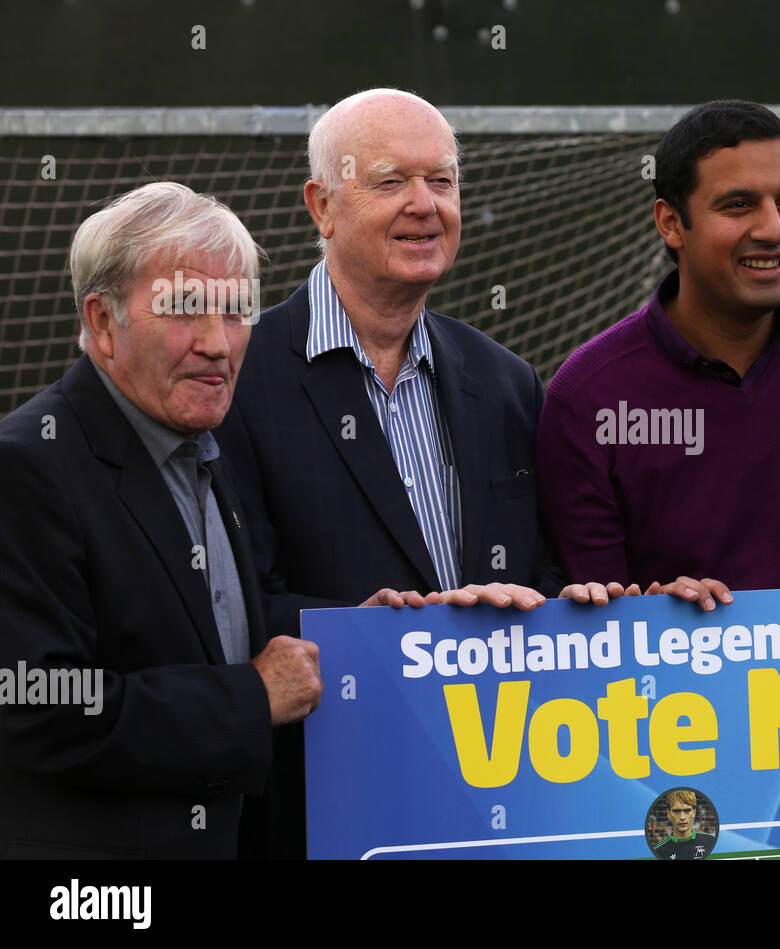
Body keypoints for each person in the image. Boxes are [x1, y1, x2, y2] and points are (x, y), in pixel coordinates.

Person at [217, 89, 716, 856]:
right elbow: (233, 610)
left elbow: (548, 573)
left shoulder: (508, 381)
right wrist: (399, 630)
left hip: (500, 801)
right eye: (391, 182)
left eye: (442, 182)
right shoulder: (239, 383)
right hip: (326, 808)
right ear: (321, 204)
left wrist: (607, 609)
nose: (425, 205)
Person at [0, 182, 322, 858]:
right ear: (103, 321)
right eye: (186, 310)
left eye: (236, 311)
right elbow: (41, 705)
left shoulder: (203, 444)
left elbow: (215, 629)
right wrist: (249, 698)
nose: (217, 343)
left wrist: (373, 628)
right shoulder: (27, 465)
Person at [537, 100, 780, 600]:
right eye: (739, 205)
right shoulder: (587, 394)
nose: (774, 230)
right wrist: (656, 612)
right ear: (670, 223)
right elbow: (593, 615)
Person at [652, 788, 716, 860]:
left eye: (687, 810)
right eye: (676, 811)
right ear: (668, 813)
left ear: (694, 812)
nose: (682, 817)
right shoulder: (658, 851)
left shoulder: (710, 842)